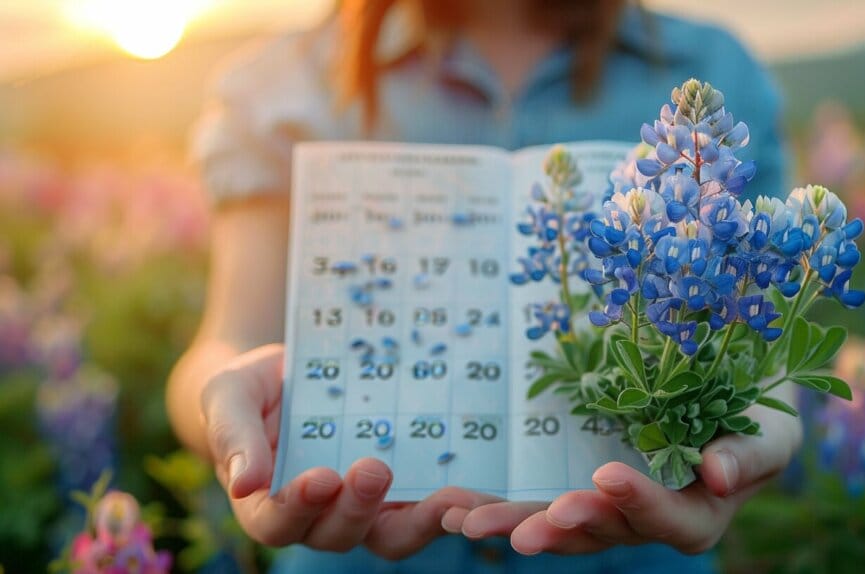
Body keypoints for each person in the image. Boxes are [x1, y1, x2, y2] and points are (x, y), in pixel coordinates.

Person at [167, 0, 801, 572]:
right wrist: (229, 412)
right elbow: (228, 340)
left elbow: (756, 342)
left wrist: (755, 433)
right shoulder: (282, 82)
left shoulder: (717, 65)